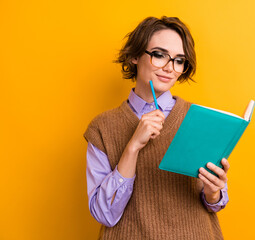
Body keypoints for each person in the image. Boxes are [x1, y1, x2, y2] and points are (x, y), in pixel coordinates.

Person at [84, 16, 230, 240]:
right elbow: (104, 214)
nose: (169, 68)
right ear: (134, 56)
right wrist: (132, 146)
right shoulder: (103, 127)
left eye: (179, 60)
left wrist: (213, 192)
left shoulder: (198, 118)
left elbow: (214, 203)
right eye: (159, 55)